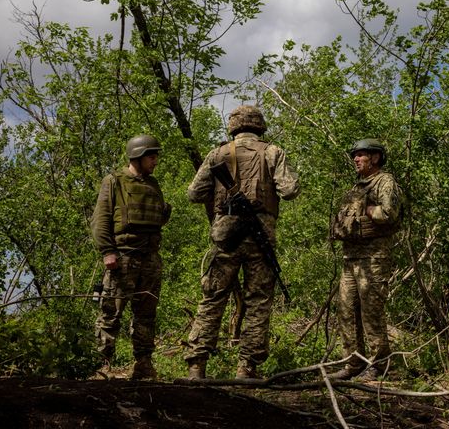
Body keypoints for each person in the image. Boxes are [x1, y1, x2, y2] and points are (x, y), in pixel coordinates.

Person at [183, 105, 300, 380]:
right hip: (261, 238)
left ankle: (196, 366)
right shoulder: (272, 152)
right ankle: (246, 367)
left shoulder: (218, 154)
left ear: (233, 127)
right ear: (260, 126)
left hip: (226, 236)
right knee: (258, 301)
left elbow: (193, 194)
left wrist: (222, 197)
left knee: (212, 298)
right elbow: (290, 190)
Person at [91, 134, 172, 380]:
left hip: (150, 258)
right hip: (122, 257)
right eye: (151, 156)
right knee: (110, 313)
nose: (155, 160)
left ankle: (143, 364)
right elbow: (101, 219)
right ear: (137, 156)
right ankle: (101, 365)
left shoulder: (153, 184)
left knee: (146, 315)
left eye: (156, 155)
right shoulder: (114, 181)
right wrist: (107, 251)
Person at [329, 138, 404, 380]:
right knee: (346, 311)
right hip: (350, 258)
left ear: (375, 157)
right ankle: (353, 363)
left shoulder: (385, 181)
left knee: (371, 312)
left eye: (360, 155)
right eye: (355, 155)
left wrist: (370, 211)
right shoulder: (356, 188)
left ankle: (380, 365)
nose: (355, 159)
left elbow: (390, 213)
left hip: (373, 258)